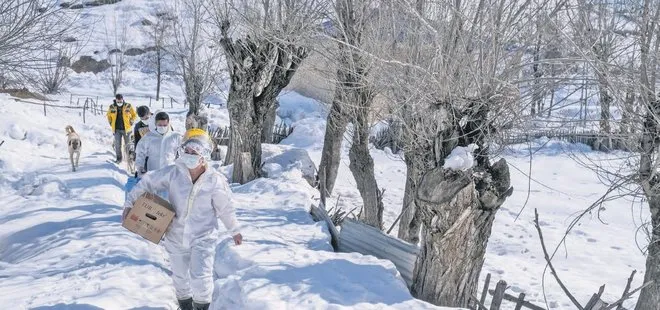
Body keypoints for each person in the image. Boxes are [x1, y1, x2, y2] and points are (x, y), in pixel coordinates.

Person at [122, 129, 242, 310]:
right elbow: (148, 182)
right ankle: (185, 306)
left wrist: (235, 230)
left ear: (204, 156)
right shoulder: (173, 173)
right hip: (175, 235)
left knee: (201, 278)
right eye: (187, 151)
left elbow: (225, 208)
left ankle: (201, 307)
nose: (190, 155)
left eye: (194, 152)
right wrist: (129, 204)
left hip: (203, 237)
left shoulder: (215, 180)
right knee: (180, 278)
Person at [135, 111, 182, 176]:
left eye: (165, 125)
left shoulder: (175, 136)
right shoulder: (149, 137)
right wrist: (140, 167)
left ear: (168, 123)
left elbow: (184, 151)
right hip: (153, 172)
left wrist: (182, 167)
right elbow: (140, 152)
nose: (162, 127)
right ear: (155, 123)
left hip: (170, 173)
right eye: (160, 125)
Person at [106, 94, 137, 163]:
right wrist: (111, 123)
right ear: (116, 100)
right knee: (117, 145)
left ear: (122, 99)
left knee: (128, 145)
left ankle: (129, 159)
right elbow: (108, 116)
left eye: (120, 101)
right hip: (117, 130)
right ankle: (119, 159)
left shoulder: (128, 106)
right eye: (118, 101)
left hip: (127, 129)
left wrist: (132, 120)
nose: (119, 102)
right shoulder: (112, 107)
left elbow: (134, 114)